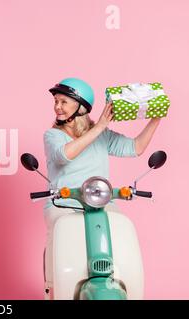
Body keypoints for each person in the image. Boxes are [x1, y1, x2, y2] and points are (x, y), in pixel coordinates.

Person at [42, 77, 161, 296]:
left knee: (119, 229)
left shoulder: (102, 135)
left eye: (63, 102)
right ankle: (54, 288)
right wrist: (100, 127)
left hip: (100, 203)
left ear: (80, 106)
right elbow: (64, 155)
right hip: (65, 203)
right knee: (62, 242)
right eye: (56, 101)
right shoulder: (53, 135)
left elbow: (136, 147)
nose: (57, 107)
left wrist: (156, 119)